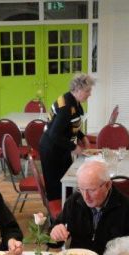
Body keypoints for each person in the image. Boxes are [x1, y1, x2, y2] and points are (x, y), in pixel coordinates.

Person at [50, 160, 129, 255]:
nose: (86, 197)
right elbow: (52, 241)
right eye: (81, 189)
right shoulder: (74, 201)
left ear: (107, 185)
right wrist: (54, 234)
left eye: (92, 190)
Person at [39, 73, 95, 201]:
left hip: (61, 146)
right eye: (87, 91)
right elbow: (54, 134)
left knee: (67, 182)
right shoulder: (66, 106)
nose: (90, 94)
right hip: (51, 149)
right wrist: (74, 147)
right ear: (78, 89)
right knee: (57, 186)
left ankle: (68, 204)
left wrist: (83, 137)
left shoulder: (73, 101)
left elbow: (71, 124)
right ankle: (58, 210)